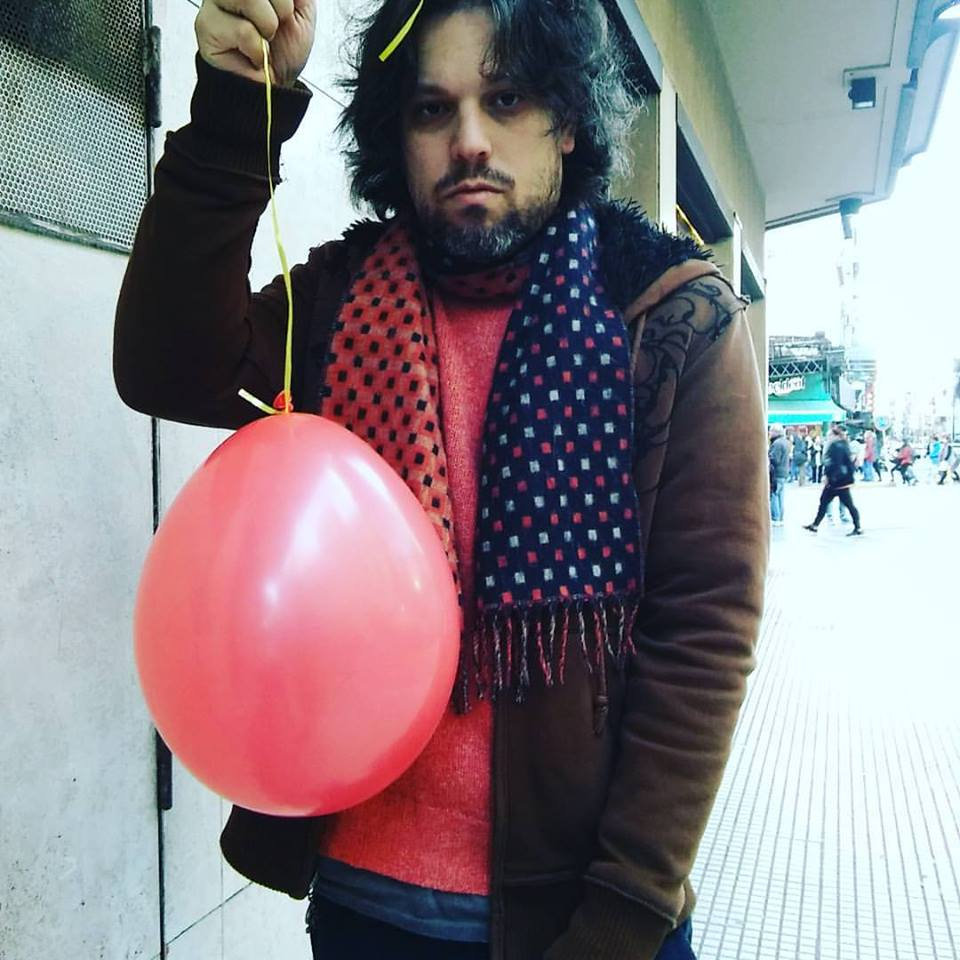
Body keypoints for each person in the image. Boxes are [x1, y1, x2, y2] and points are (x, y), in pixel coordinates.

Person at [113, 1, 769, 957]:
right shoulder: (343, 299)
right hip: (363, 904)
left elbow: (703, 631)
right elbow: (166, 365)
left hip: (580, 917)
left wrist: (625, 909)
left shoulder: (668, 318)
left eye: (506, 100)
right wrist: (236, 105)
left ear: (568, 120)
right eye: (432, 109)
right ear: (398, 134)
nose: (469, 141)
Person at [804, 427, 863, 536]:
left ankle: (816, 525)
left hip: (836, 481)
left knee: (827, 502)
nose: (828, 437)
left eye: (830, 435)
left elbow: (834, 463)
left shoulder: (836, 446)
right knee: (844, 504)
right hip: (842, 480)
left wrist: (828, 476)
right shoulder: (844, 445)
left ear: (836, 435)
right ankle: (857, 527)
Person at [769, 425, 790, 526]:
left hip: (777, 473)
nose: (769, 433)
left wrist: (768, 456)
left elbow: (775, 459)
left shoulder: (777, 443)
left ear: (775, 432)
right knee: (780, 495)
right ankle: (780, 517)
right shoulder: (785, 442)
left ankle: (775, 517)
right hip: (784, 472)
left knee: (774, 494)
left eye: (771, 431)